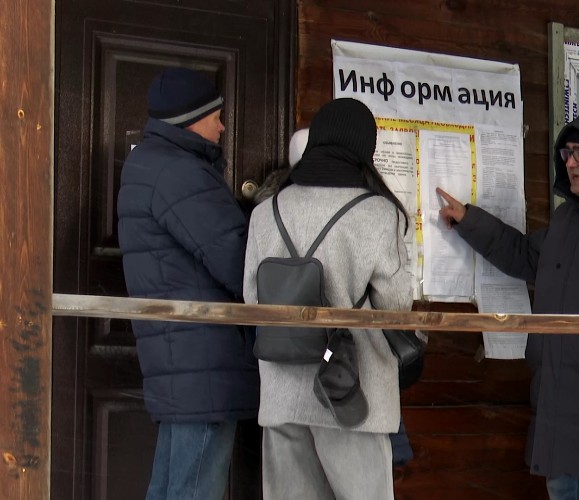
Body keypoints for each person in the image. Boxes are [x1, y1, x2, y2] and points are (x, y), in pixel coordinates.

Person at [438, 105, 579, 499]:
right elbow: (525, 255)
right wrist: (468, 220)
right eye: (567, 153)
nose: (571, 162)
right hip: (559, 396)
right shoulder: (568, 219)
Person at [243, 97, 412, 499]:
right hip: (352, 392)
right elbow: (395, 305)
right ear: (363, 149)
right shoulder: (377, 212)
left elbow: (252, 298)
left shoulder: (266, 211)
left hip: (282, 389)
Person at [117, 67, 259, 500]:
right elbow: (238, 263)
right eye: (215, 116)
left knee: (170, 484)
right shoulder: (182, 173)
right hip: (204, 354)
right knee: (194, 486)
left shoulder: (148, 163)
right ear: (191, 118)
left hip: (179, 353)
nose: (221, 126)